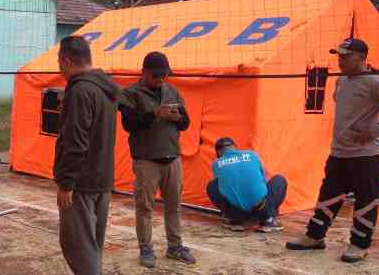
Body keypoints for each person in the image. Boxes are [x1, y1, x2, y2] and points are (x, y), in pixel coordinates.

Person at [286, 38, 379, 263]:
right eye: (339, 55)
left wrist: (373, 131)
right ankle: (314, 237)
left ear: (362, 58)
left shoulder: (375, 82)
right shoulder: (341, 80)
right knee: (328, 197)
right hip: (339, 153)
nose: (340, 60)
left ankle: (359, 245)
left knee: (366, 201)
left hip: (367, 156)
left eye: (345, 56)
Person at [119, 51, 195, 268]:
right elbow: (129, 124)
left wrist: (178, 117)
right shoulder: (131, 93)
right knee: (144, 207)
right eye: (156, 76)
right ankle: (146, 248)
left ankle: (175, 246)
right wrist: (154, 114)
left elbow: (185, 124)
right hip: (146, 160)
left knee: (174, 206)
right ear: (143, 72)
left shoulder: (173, 91)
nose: (161, 79)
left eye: (164, 75)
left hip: (172, 158)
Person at [53, 36, 120, 275]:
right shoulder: (106, 87)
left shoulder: (80, 90)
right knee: (92, 246)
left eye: (60, 63)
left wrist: (66, 183)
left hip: (81, 182)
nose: (59, 69)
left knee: (78, 248)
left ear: (66, 60)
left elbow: (76, 141)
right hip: (102, 179)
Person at [206, 137, 287, 232]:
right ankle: (268, 219)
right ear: (235, 148)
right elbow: (262, 180)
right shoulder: (252, 155)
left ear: (219, 153)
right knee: (279, 180)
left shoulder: (216, 164)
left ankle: (233, 221)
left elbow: (223, 187)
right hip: (261, 208)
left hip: (237, 213)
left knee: (212, 186)